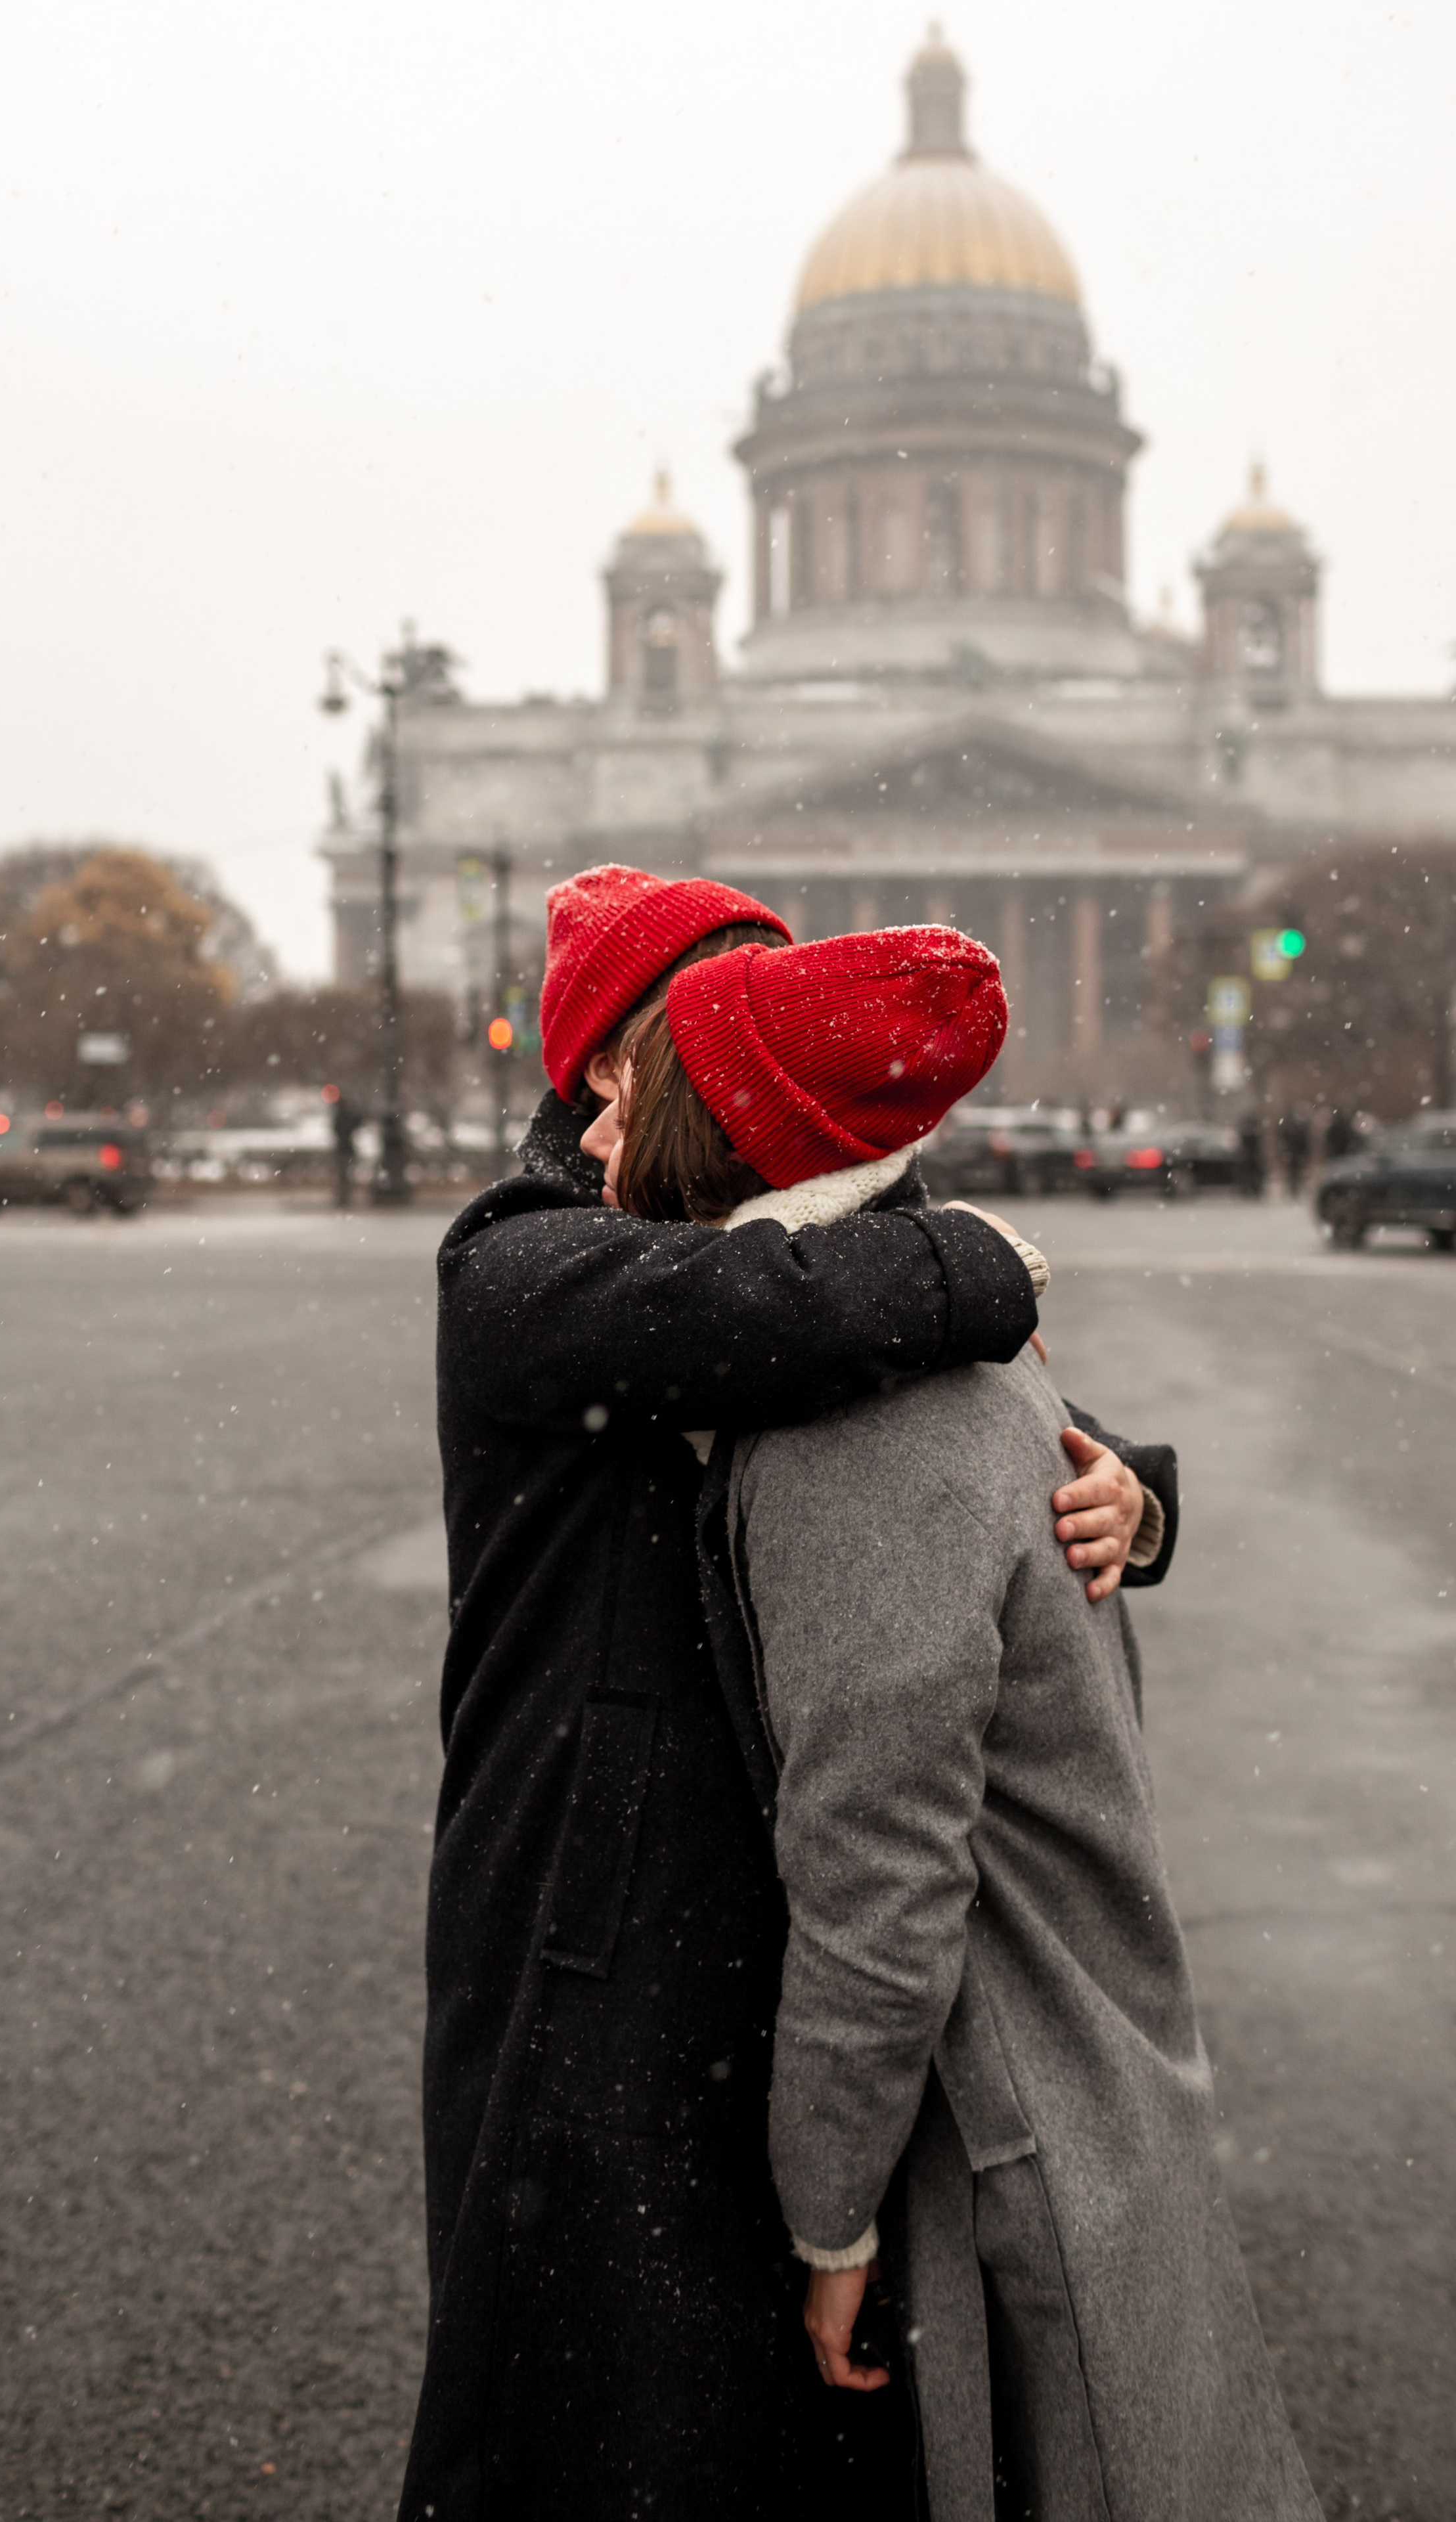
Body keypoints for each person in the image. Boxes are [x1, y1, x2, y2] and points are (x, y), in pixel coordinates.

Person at [399, 867, 1177, 2522]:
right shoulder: (522, 1261)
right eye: (711, 1018)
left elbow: (995, 1445)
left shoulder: (797, 1247)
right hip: (584, 1904)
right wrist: (983, 1258)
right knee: (595, 2394)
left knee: (794, 2396)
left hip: (771, 1887)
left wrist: (1136, 1489)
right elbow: (780, 1315)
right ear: (612, 1063)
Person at [590, 925, 1318, 2519]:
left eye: (625, 1094)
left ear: (713, 1130)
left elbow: (883, 1879)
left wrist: (827, 2213)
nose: (588, 1138)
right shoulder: (960, 1359)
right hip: (1084, 2068)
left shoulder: (861, 1437)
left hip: (1012, 2124)